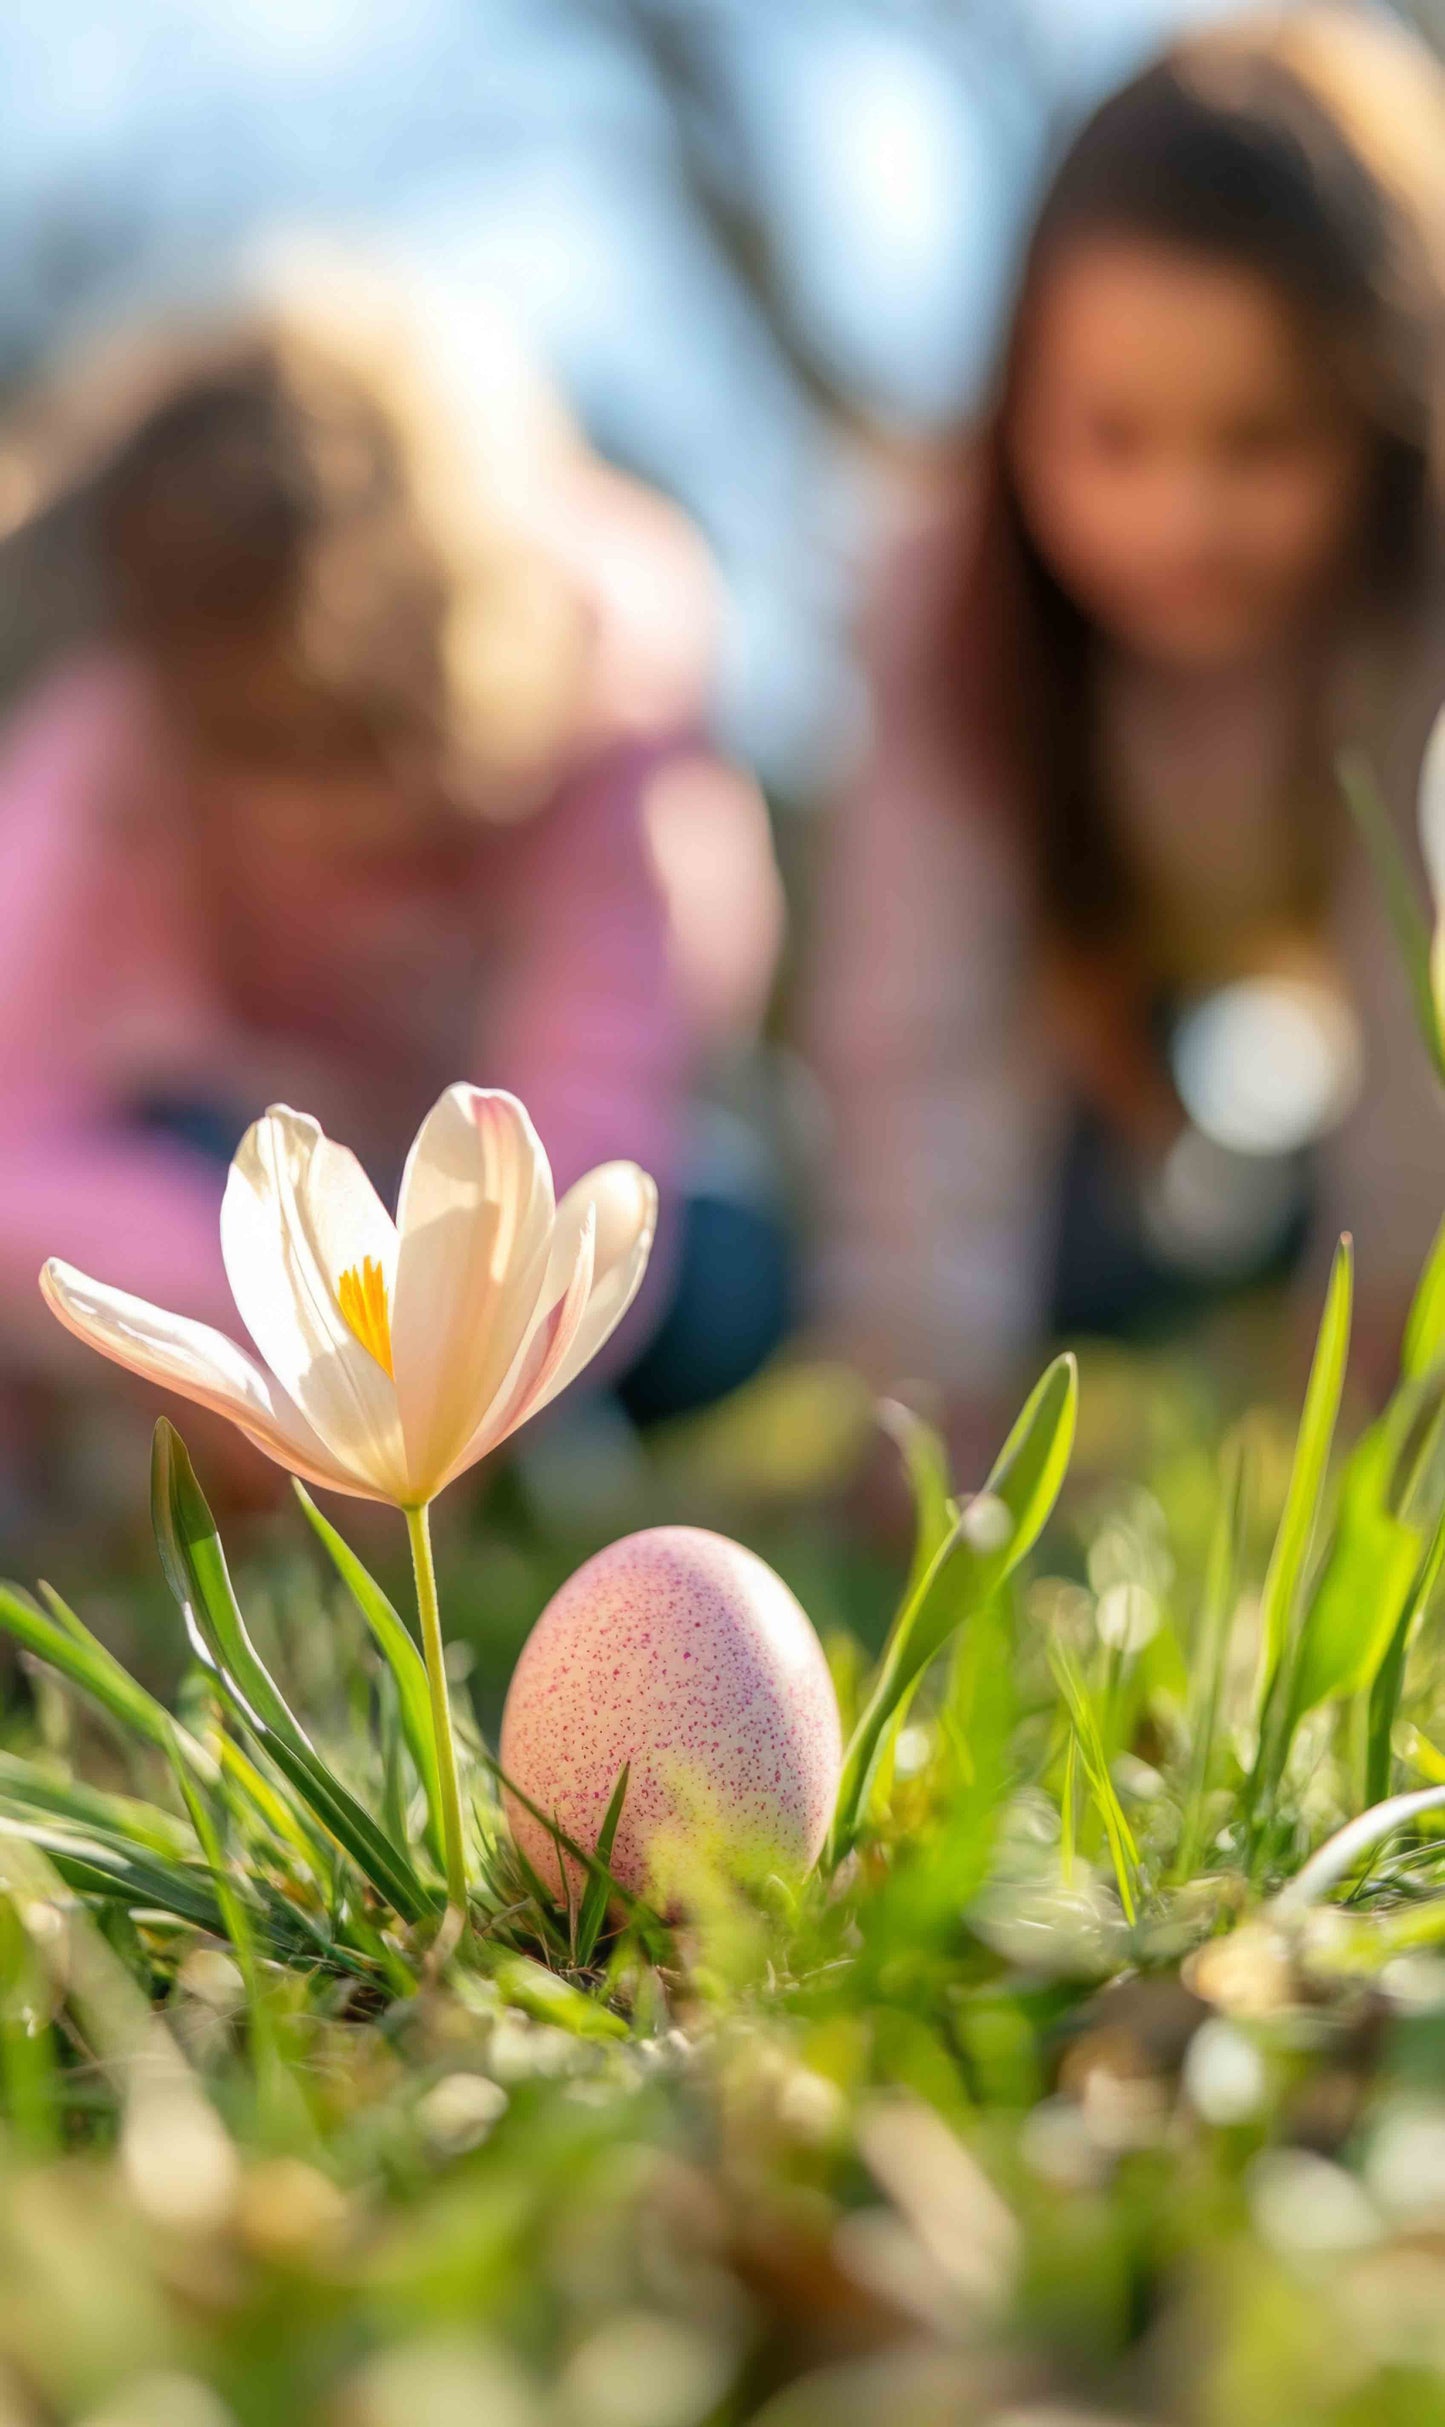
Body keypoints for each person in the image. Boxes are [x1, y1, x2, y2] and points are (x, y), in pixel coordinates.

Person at [0, 285, 785, 1491]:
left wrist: (451, 1401)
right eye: (265, 748)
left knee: (725, 1276)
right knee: (152, 1194)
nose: (319, 807)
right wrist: (254, 1359)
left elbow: (592, 1125)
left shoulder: (600, 729)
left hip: (488, 1255)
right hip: (229, 1187)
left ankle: (535, 1447)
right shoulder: (108, 759)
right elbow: (22, 1137)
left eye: (363, 739)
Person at [812, 4, 1445, 1439]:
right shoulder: (946, 615)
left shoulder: (1417, 606)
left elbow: (1422, 1006)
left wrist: (1395, 1341)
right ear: (1014, 411)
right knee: (1100, 1256)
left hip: (1322, 1030)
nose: (1183, 518)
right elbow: (917, 1021)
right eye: (1113, 437)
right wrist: (920, 1374)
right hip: (1102, 1039)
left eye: (1262, 440)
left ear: (1386, 413)